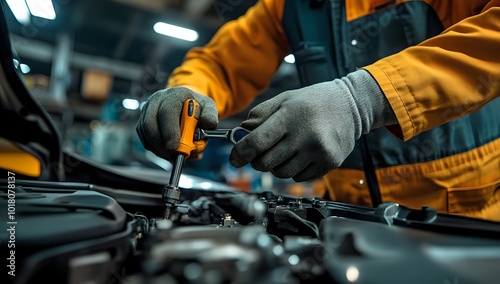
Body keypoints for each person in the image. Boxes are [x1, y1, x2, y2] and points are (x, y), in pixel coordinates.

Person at [137, 0, 500, 221]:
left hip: (467, 214)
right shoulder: (287, 6)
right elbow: (220, 63)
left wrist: (363, 99)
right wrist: (188, 91)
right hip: (349, 217)